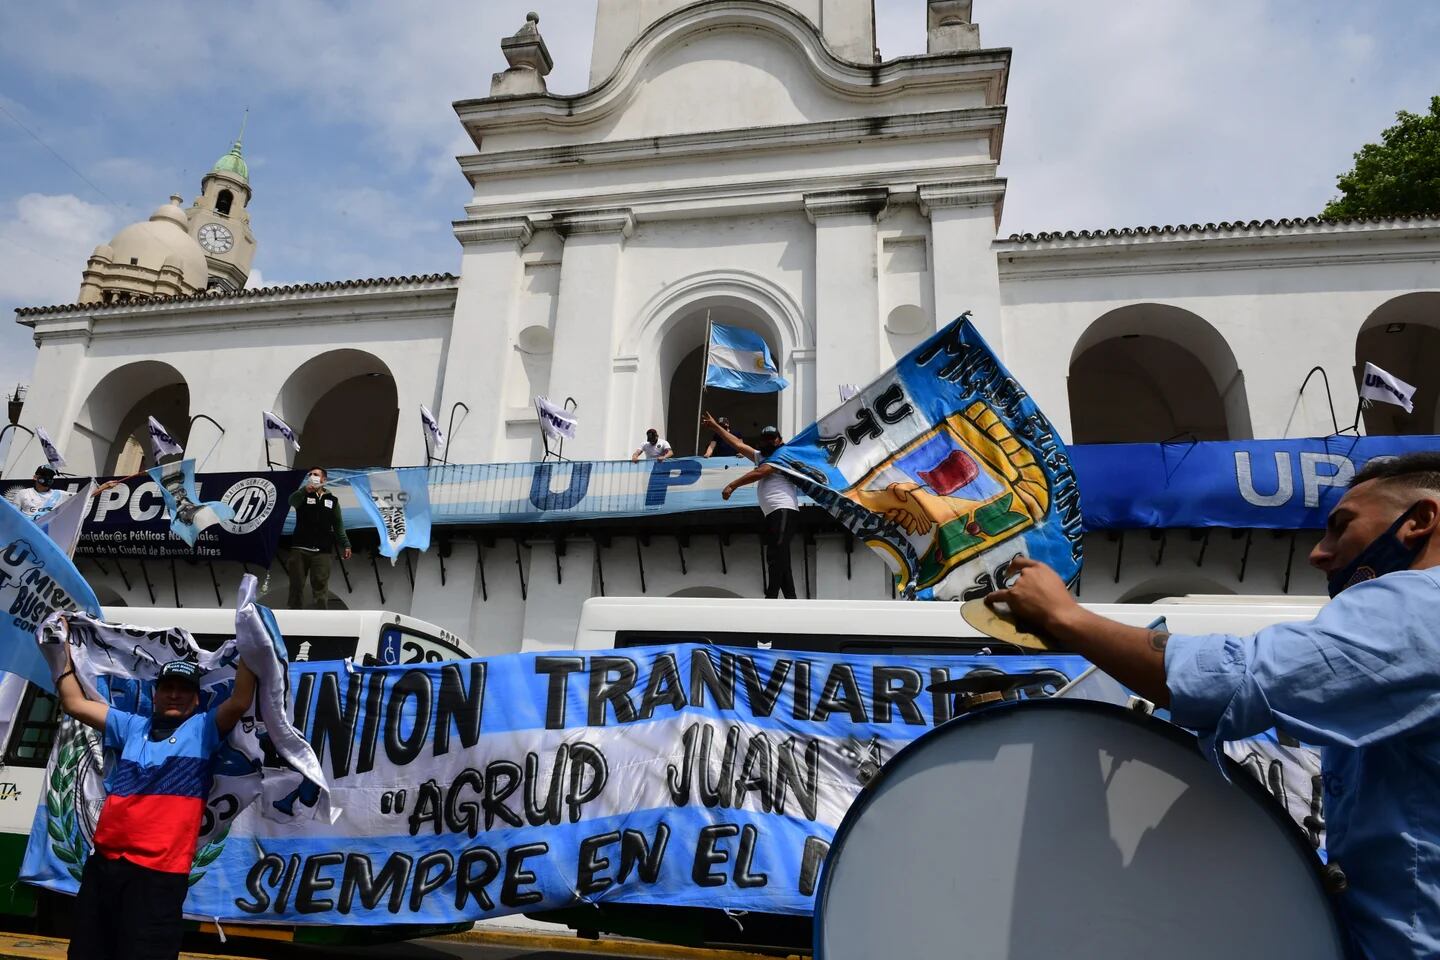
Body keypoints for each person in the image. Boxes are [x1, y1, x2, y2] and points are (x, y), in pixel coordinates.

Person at [985, 452, 1440, 960]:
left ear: (1419, 521)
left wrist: (1067, 617)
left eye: (1341, 527)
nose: (1319, 553)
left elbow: (1230, 681)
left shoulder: (1419, 605)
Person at [56, 650, 257, 960]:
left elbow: (240, 701)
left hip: (158, 875)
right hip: (104, 866)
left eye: (184, 689)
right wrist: (60, 654)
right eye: (168, 687)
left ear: (196, 699)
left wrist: (249, 638)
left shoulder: (204, 729)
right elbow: (73, 703)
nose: (174, 695)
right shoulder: (132, 727)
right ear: (156, 693)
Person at [704, 412, 800, 599]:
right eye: (766, 439)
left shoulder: (783, 454)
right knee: (782, 559)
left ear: (779, 440)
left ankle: (770, 596)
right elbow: (738, 444)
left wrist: (733, 485)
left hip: (784, 510)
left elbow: (762, 472)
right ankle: (792, 600)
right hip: (773, 513)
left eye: (773, 439)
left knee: (775, 554)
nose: (769, 442)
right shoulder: (761, 455)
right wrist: (716, 427)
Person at [285, 468, 351, 609]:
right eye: (310, 475)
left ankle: (320, 617)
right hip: (300, 549)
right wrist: (304, 490)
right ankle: (293, 617)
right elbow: (291, 501)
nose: (312, 476)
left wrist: (346, 544)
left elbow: (338, 525)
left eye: (316, 474)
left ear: (324, 480)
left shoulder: (332, 500)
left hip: (322, 551)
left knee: (320, 586)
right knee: (296, 585)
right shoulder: (302, 495)